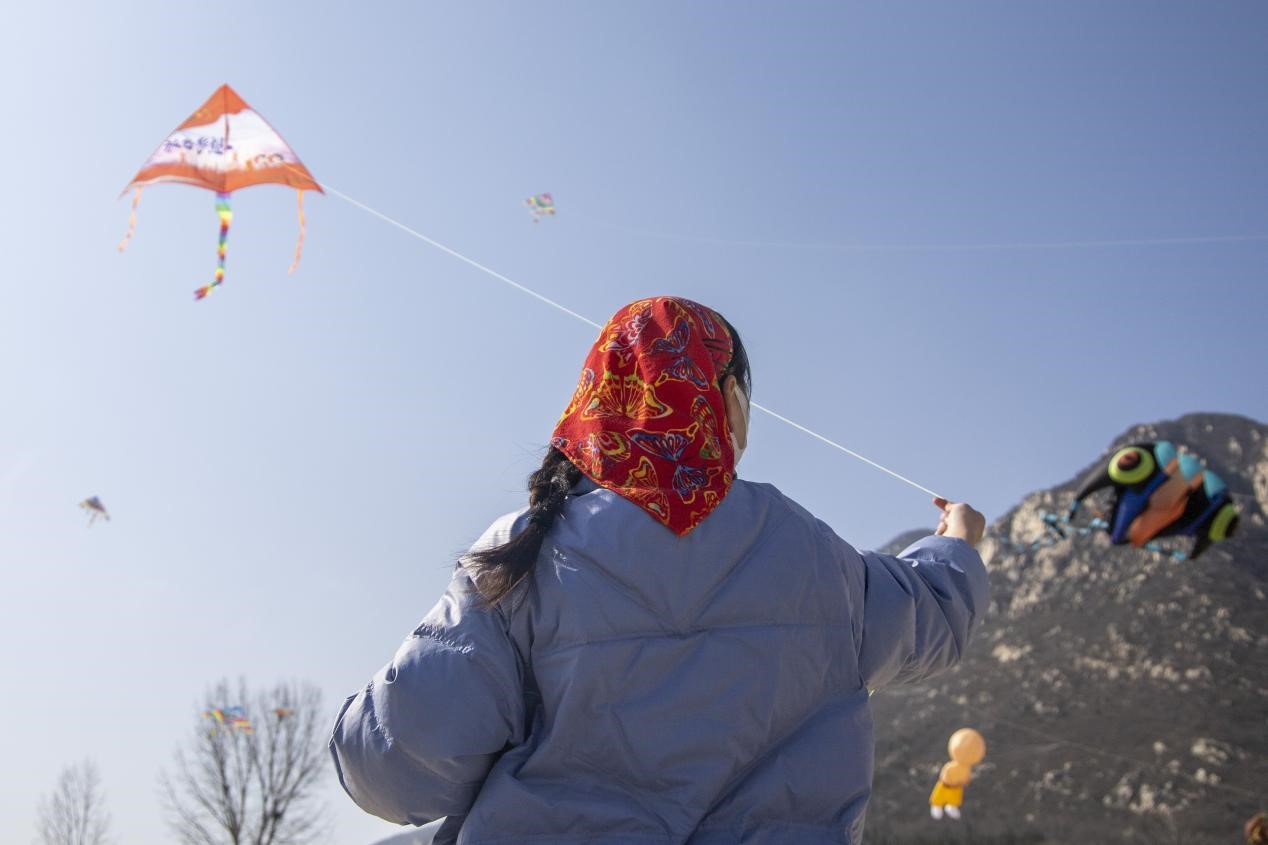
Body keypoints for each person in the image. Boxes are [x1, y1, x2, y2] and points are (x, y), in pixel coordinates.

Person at [331, 296, 989, 845]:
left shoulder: (526, 549)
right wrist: (958, 540)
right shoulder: (821, 558)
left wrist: (353, 729)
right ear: (728, 400)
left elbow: (395, 773)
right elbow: (934, 611)